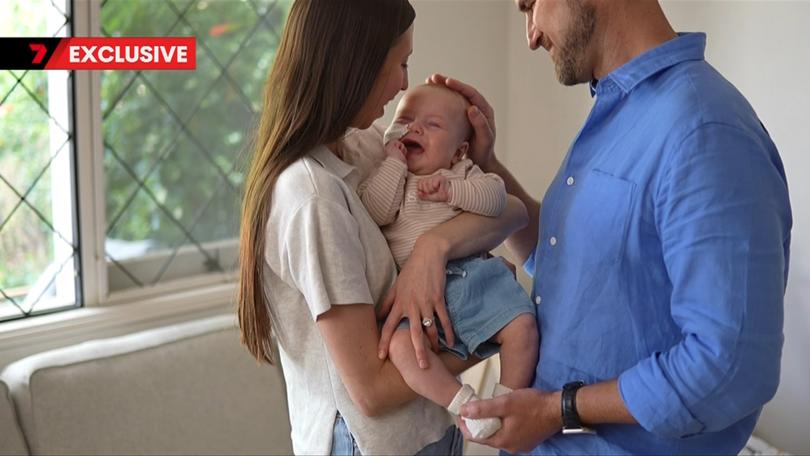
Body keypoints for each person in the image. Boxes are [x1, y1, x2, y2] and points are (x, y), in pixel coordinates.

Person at [399, 0, 791, 454]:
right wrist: (483, 165)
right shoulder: (620, 113)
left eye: (530, 6)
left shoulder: (705, 130)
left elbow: (729, 366)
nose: (531, 35)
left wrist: (556, 409)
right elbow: (569, 260)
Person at [236, 1, 528, 454]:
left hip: (429, 431)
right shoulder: (313, 197)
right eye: (400, 62)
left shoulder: (369, 149)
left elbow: (510, 213)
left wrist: (437, 243)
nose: (404, 84)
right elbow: (371, 391)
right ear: (355, 62)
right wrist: (492, 323)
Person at [358, 83, 538, 439]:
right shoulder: (392, 177)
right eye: (404, 120)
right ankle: (464, 404)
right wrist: (393, 163)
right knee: (399, 348)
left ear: (459, 151)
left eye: (432, 124)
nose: (414, 129)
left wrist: (452, 189)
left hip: (472, 277)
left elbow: (496, 199)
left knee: (523, 328)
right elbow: (374, 211)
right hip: (418, 296)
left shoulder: (462, 173)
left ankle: (506, 401)